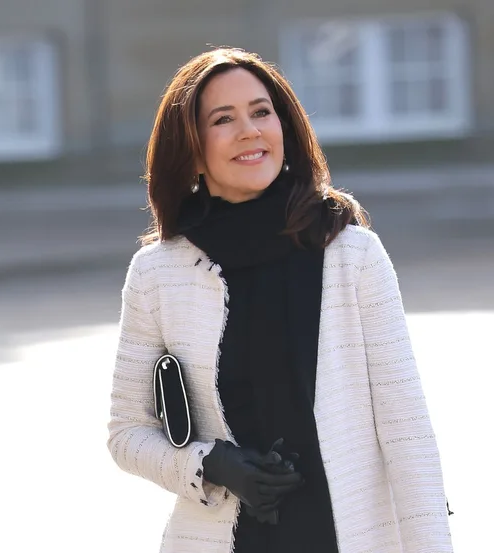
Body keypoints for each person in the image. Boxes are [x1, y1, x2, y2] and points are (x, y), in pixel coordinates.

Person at [106, 47, 453, 552]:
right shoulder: (158, 273)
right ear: (192, 148)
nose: (250, 131)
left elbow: (407, 433)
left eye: (261, 111)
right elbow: (127, 434)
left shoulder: (352, 253)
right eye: (223, 119)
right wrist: (211, 464)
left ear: (285, 127)